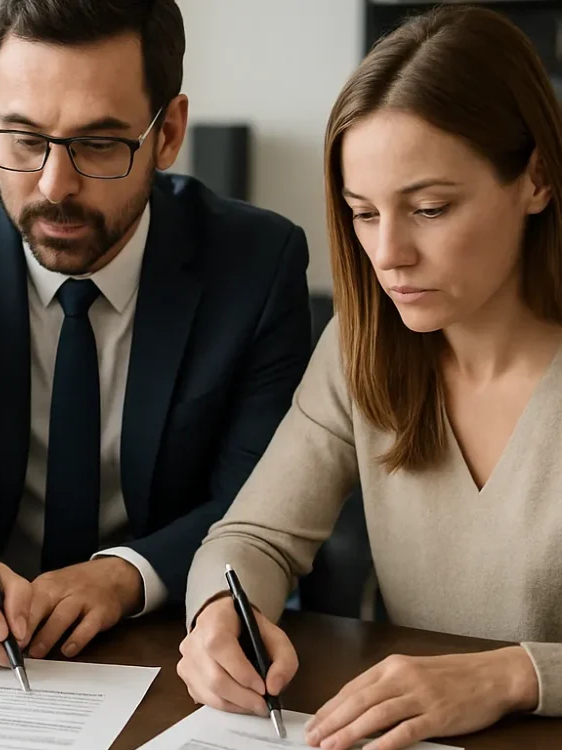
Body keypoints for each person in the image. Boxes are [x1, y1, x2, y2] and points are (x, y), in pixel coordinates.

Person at [0, 0, 311, 668]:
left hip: (169, 646)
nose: (54, 185)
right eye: (22, 139)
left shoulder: (256, 264)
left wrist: (125, 575)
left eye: (98, 144)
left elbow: (255, 501)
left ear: (168, 134)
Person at [178, 6, 562, 749]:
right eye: (362, 214)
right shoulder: (362, 349)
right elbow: (253, 537)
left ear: (537, 179)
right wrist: (220, 615)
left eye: (429, 208)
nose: (389, 255)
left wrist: (513, 675)